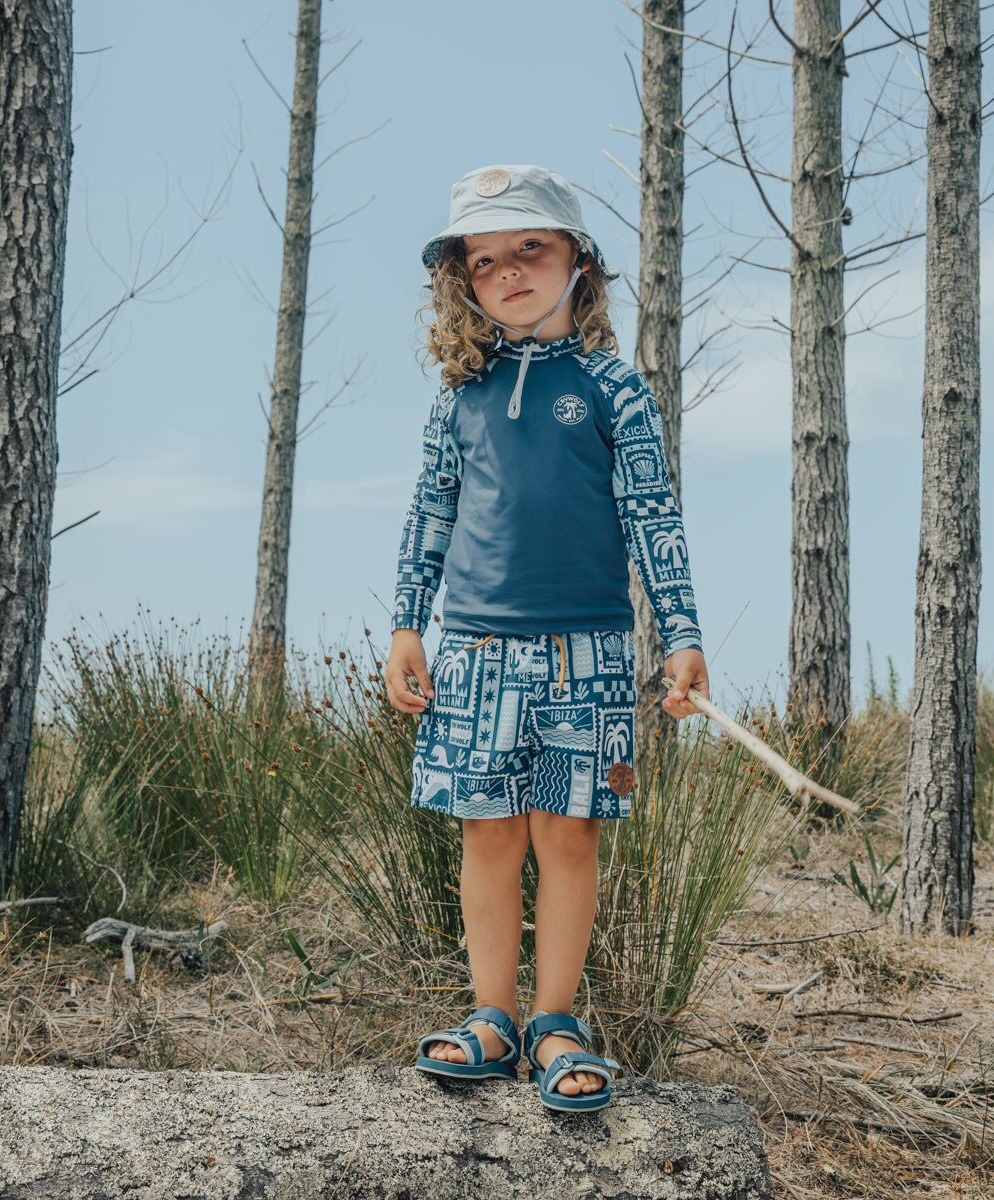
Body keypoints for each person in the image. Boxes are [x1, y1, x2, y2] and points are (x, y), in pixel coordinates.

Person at [385, 164, 710, 1112]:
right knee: (487, 834)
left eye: (532, 248)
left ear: (579, 262)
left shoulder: (614, 387)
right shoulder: (460, 395)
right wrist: (408, 624)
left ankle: (555, 1022)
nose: (510, 272)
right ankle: (490, 1015)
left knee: (568, 837)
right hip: (477, 654)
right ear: (462, 281)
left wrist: (680, 636)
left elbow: (654, 515)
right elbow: (429, 514)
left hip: (592, 654)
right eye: (485, 260)